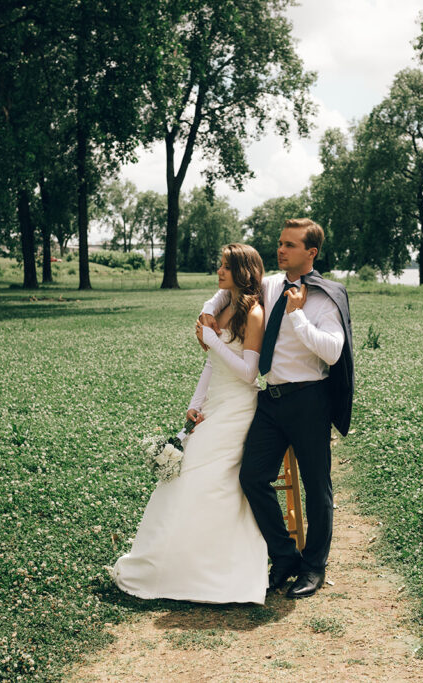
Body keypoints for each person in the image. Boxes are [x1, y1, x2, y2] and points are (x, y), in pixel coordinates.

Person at [198, 218, 354, 599]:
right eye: (280, 243)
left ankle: (314, 566)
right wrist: (207, 308)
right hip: (271, 399)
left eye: (290, 245)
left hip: (309, 400)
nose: (280, 250)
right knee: (252, 476)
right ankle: (284, 555)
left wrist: (298, 316)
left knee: (316, 486)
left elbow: (333, 352)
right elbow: (231, 292)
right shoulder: (269, 286)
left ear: (310, 252)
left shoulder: (325, 297)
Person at [111, 244, 269, 604]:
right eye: (220, 265)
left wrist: (212, 338)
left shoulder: (254, 313)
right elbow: (212, 364)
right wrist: (194, 405)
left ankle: (219, 569)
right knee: (184, 474)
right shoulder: (224, 307)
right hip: (215, 403)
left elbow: (248, 373)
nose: (219, 271)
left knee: (209, 478)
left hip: (240, 405)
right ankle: (171, 561)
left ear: (243, 270)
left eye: (226, 266)